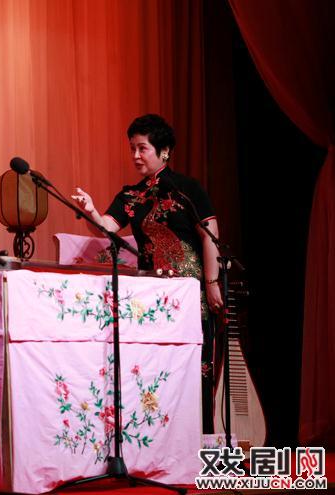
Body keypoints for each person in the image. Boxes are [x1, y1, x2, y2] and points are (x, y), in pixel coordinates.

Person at [72, 113, 221, 433]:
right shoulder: (131, 196)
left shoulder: (186, 189)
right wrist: (91, 211)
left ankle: (202, 437)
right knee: (158, 368)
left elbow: (210, 235)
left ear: (164, 151)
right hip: (153, 296)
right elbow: (107, 228)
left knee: (199, 367)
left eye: (142, 148)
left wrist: (211, 283)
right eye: (132, 149)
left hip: (191, 293)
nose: (136, 155)